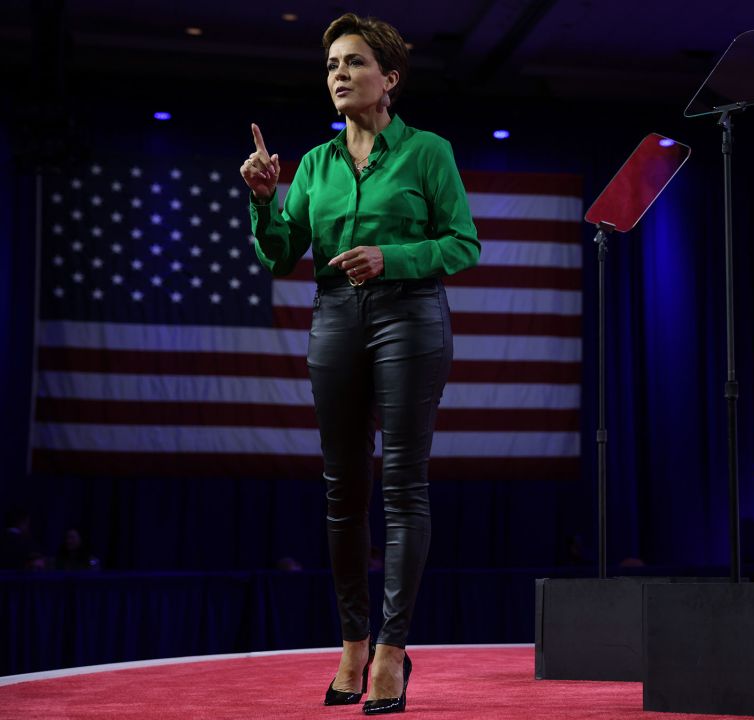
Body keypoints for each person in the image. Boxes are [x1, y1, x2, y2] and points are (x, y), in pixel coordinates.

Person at [240, 13, 479, 715]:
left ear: (390, 79)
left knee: (403, 487)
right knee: (343, 491)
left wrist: (393, 257)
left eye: (352, 62)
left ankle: (391, 650)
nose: (338, 74)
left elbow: (463, 245)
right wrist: (264, 204)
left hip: (410, 313)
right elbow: (283, 253)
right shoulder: (314, 165)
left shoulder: (428, 151)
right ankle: (351, 641)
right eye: (331, 66)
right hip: (336, 317)